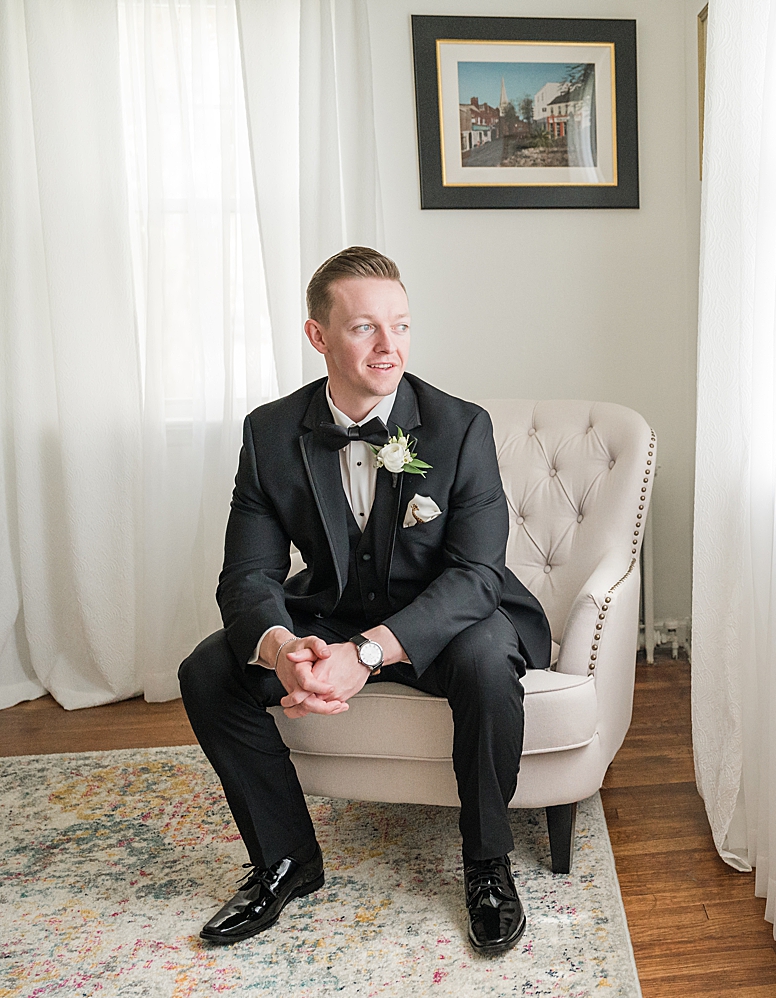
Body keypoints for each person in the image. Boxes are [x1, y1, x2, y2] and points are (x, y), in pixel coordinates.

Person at [178, 246, 550, 954]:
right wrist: (286, 651)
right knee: (207, 670)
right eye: (364, 328)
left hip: (447, 615)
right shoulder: (268, 434)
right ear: (318, 336)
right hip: (330, 614)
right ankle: (286, 861)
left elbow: (475, 574)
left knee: (487, 663)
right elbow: (248, 577)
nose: (391, 346)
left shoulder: (459, 426)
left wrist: (367, 653)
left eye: (402, 325)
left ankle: (487, 865)